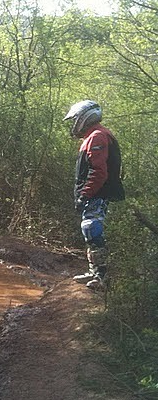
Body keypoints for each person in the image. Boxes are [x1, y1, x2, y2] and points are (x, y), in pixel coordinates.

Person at [63, 100, 125, 291]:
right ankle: (94, 271)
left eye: (75, 119)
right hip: (98, 192)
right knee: (90, 231)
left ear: (85, 118)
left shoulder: (97, 136)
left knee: (92, 228)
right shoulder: (94, 136)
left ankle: (102, 277)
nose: (74, 124)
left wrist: (84, 194)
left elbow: (99, 172)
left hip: (98, 193)